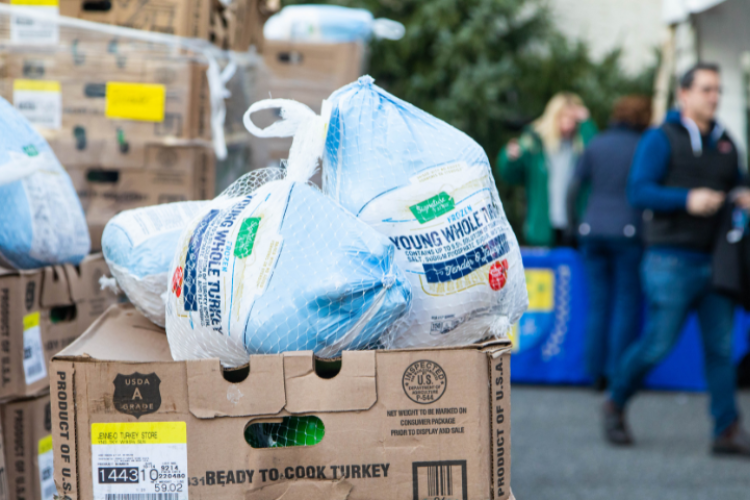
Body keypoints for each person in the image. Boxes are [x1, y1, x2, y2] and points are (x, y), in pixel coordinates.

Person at [603, 63, 750, 456]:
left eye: (717, 90)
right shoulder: (660, 138)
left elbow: (738, 180)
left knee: (721, 349)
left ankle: (727, 430)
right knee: (657, 345)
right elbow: (638, 192)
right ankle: (615, 401)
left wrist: (740, 193)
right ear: (683, 95)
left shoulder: (726, 142)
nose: (714, 97)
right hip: (670, 260)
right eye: (706, 89)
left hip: (716, 262)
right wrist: (688, 199)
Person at [567, 96, 651, 390]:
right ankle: (619, 374)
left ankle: (594, 373)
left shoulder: (596, 143)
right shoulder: (644, 146)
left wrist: (573, 227)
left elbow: (574, 188)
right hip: (628, 230)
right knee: (626, 304)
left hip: (592, 229)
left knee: (598, 304)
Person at [497, 93, 597, 246]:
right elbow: (510, 175)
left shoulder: (580, 147)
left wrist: (586, 121)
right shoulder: (535, 143)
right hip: (543, 227)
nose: (568, 124)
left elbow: (596, 153)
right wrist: (510, 157)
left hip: (574, 226)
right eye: (563, 117)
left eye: (573, 120)